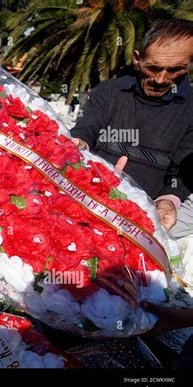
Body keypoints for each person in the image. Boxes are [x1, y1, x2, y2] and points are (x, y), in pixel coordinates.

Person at [71, 19, 193, 231]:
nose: (161, 79)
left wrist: (167, 201)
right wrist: (77, 143)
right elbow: (86, 130)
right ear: (137, 58)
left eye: (175, 70)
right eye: (153, 68)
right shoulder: (108, 92)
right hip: (86, 202)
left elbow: (179, 174)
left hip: (143, 222)